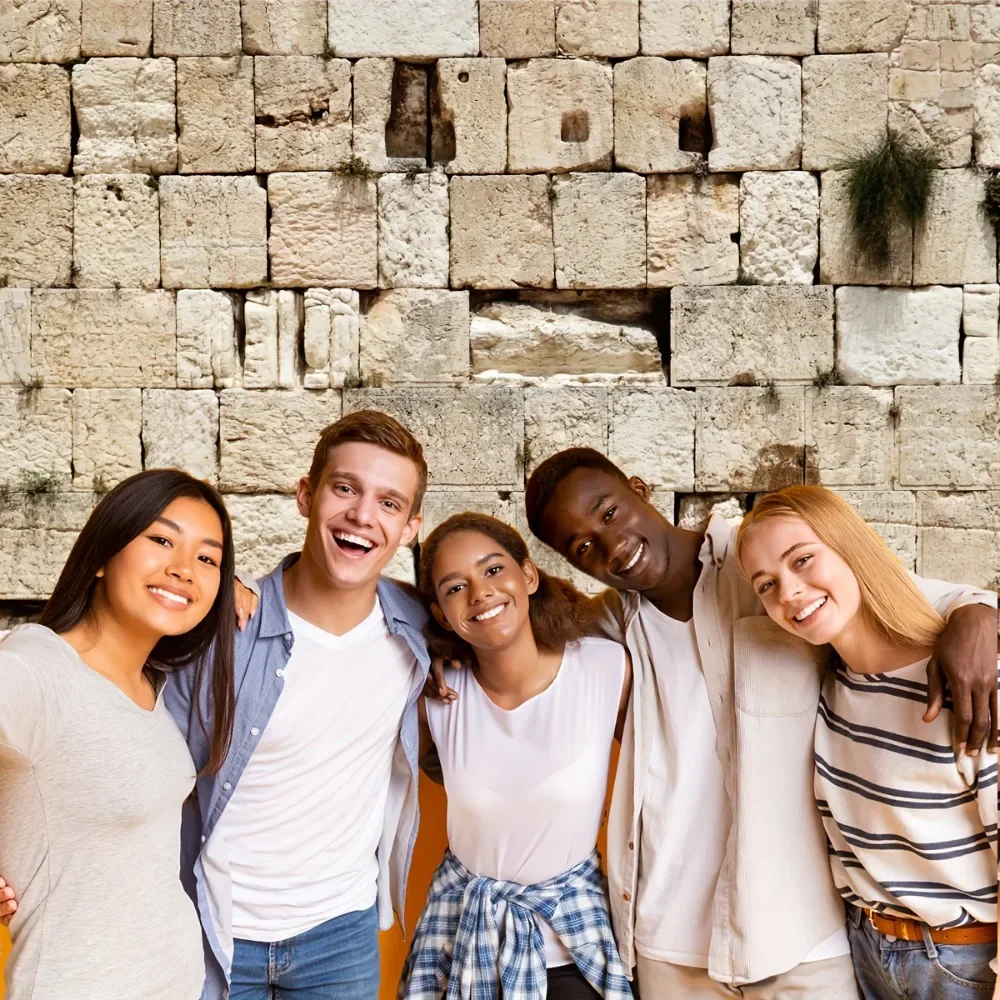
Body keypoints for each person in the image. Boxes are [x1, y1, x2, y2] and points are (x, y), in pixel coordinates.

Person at [502, 447, 997, 999]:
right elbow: (511, 657)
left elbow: (885, 591)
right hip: (667, 940)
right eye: (583, 546)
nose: (611, 546)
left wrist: (977, 611)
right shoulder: (604, 633)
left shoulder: (768, 563)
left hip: (801, 936)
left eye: (609, 513)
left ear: (639, 490)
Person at [165, 409, 432, 1000]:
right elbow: (129, 754)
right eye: (345, 488)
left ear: (410, 527)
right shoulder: (220, 627)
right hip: (212, 929)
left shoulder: (419, 626)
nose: (363, 515)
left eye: (389, 503)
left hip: (341, 935)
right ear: (306, 495)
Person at [736, 485, 998, 1000]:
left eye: (803, 560)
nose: (788, 593)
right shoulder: (830, 682)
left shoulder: (968, 680)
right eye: (766, 584)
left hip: (963, 963)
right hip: (866, 949)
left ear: (851, 546)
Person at [0, 469, 237, 1000]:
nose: (183, 569)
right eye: (160, 540)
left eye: (207, 558)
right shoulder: (38, 670)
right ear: (105, 554)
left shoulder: (149, 684)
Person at [401, 513, 633, 1000]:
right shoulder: (435, 697)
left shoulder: (605, 668)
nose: (480, 593)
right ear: (441, 614)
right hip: (463, 940)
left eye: (491, 570)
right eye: (454, 588)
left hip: (574, 946)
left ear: (528, 575)